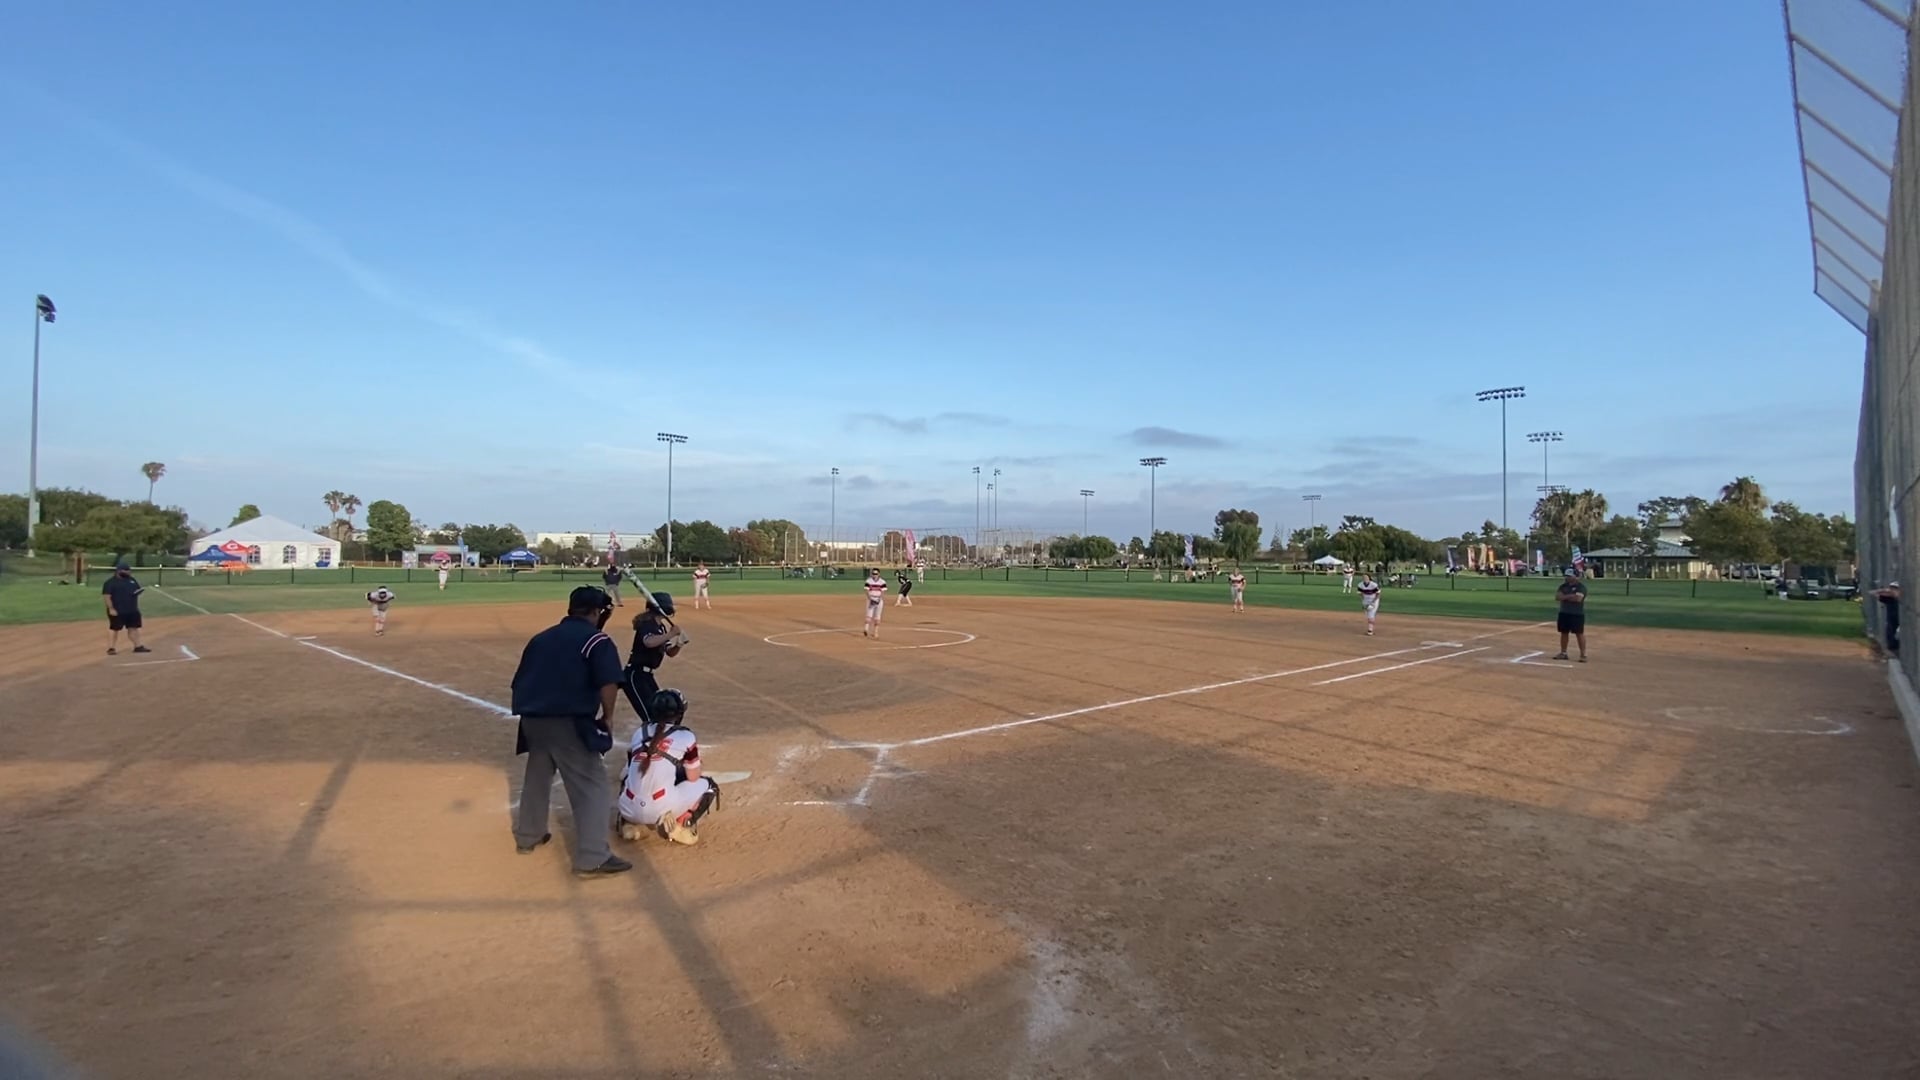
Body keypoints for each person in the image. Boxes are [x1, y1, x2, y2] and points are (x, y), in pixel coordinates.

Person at [509, 586, 632, 878]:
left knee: (537, 776)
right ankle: (592, 858)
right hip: (569, 721)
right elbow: (608, 682)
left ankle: (529, 836)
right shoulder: (596, 640)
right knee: (592, 785)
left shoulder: (541, 638)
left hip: (532, 720)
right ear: (596, 612)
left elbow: (519, 681)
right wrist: (608, 717)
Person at [617, 688, 720, 846]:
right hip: (660, 808)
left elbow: (625, 773)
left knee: (627, 778)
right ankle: (681, 826)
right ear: (679, 714)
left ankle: (629, 825)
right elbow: (693, 777)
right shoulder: (686, 736)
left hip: (628, 807)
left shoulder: (639, 732)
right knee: (709, 785)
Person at [622, 592, 684, 725]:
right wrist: (671, 634)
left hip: (647, 676)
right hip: (635, 675)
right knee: (650, 716)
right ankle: (649, 737)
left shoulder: (660, 627)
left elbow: (670, 652)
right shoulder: (647, 624)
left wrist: (679, 644)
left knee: (659, 711)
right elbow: (649, 642)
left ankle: (659, 736)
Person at [102, 561, 150, 656]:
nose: (128, 572)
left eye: (129, 570)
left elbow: (136, 590)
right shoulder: (110, 583)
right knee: (114, 628)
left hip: (132, 609)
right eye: (126, 570)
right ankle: (111, 648)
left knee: (133, 628)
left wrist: (138, 592)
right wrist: (111, 609)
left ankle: (138, 646)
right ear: (119, 571)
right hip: (117, 610)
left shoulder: (132, 580)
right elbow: (107, 596)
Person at [1554, 567, 1589, 662]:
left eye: (1569, 576)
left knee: (1579, 633)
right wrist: (1571, 596)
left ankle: (1583, 654)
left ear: (1575, 576)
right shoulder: (1563, 586)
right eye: (1566, 576)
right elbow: (1558, 597)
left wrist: (1565, 597)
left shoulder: (1581, 587)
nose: (1567, 578)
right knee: (1564, 632)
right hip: (1564, 612)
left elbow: (1578, 599)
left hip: (1577, 614)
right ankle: (1563, 653)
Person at [1874, 581, 1901, 656]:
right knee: (1891, 633)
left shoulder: (1903, 600)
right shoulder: (1889, 599)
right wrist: (1885, 590)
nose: (1893, 590)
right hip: (1892, 622)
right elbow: (1874, 593)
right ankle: (1894, 649)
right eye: (1891, 588)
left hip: (1901, 622)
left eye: (1895, 588)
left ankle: (1897, 650)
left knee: (1898, 635)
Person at [862, 569, 888, 638]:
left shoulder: (882, 582)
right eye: (873, 574)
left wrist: (879, 599)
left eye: (876, 574)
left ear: (879, 574)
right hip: (871, 598)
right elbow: (866, 590)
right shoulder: (868, 581)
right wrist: (870, 599)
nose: (874, 575)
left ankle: (876, 632)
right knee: (869, 615)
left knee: (877, 616)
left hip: (878, 599)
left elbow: (883, 591)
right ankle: (866, 629)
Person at [1357, 571, 1381, 635]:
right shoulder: (1360, 585)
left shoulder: (1373, 585)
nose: (1365, 578)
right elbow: (1360, 593)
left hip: (1374, 600)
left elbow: (1378, 594)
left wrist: (1373, 602)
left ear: (1369, 578)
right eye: (1364, 577)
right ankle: (1370, 626)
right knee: (1367, 615)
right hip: (1366, 600)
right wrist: (1364, 600)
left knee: (1371, 614)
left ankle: (1370, 630)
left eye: (1366, 577)